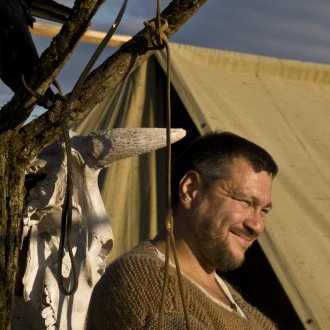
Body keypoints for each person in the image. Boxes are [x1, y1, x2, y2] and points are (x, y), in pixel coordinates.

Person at [85, 131, 279, 330]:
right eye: (245, 202)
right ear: (190, 189)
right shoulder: (144, 281)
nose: (257, 226)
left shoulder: (245, 310)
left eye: (263, 211)